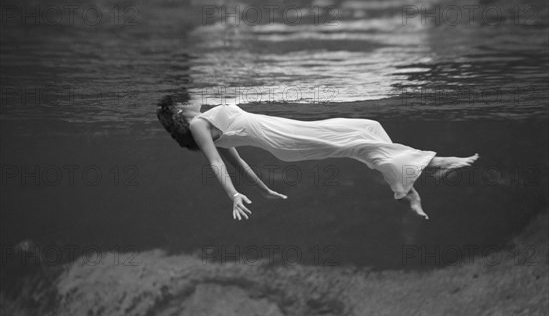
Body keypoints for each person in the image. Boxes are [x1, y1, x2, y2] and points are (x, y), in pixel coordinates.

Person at [157, 95, 478, 221]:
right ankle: (434, 165)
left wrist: (263, 189)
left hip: (284, 132)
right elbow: (218, 163)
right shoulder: (199, 124)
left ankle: (405, 187)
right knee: (358, 143)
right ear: (177, 111)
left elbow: (239, 163)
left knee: (367, 127)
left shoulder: (206, 121)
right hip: (283, 139)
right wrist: (233, 194)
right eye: (184, 97)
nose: (192, 94)